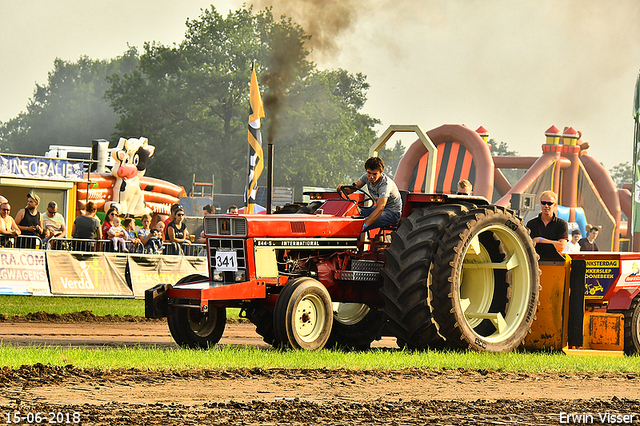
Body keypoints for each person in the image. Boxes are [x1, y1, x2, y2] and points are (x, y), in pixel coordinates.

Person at [337, 157, 402, 231]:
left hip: (392, 213)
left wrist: (364, 225)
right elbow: (351, 190)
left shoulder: (385, 184)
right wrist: (341, 189)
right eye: (369, 173)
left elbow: (380, 208)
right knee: (355, 212)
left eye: (375, 174)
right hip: (379, 209)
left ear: (381, 172)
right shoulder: (366, 177)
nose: (371, 177)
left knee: (359, 224)